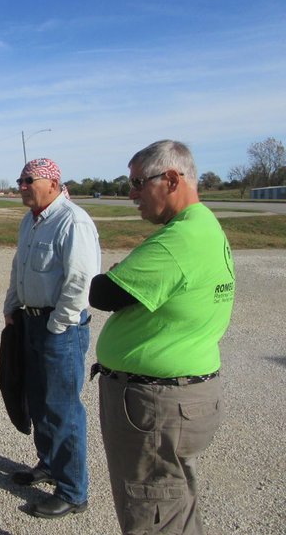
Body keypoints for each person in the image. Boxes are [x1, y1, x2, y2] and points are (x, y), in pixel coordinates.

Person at [89, 140, 235, 535]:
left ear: (171, 179)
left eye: (137, 183)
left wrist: (118, 273)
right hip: (182, 395)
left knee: (151, 512)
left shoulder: (177, 241)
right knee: (173, 503)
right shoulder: (203, 226)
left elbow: (102, 293)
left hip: (155, 404)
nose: (131, 194)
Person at [3, 158, 100, 519]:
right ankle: (48, 463)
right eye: (20, 180)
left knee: (63, 407)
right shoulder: (29, 221)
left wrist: (57, 324)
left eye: (29, 180)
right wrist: (12, 305)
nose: (22, 185)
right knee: (39, 401)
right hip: (29, 322)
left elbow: (82, 281)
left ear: (52, 182)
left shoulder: (72, 220)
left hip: (61, 328)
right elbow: (19, 268)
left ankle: (74, 491)